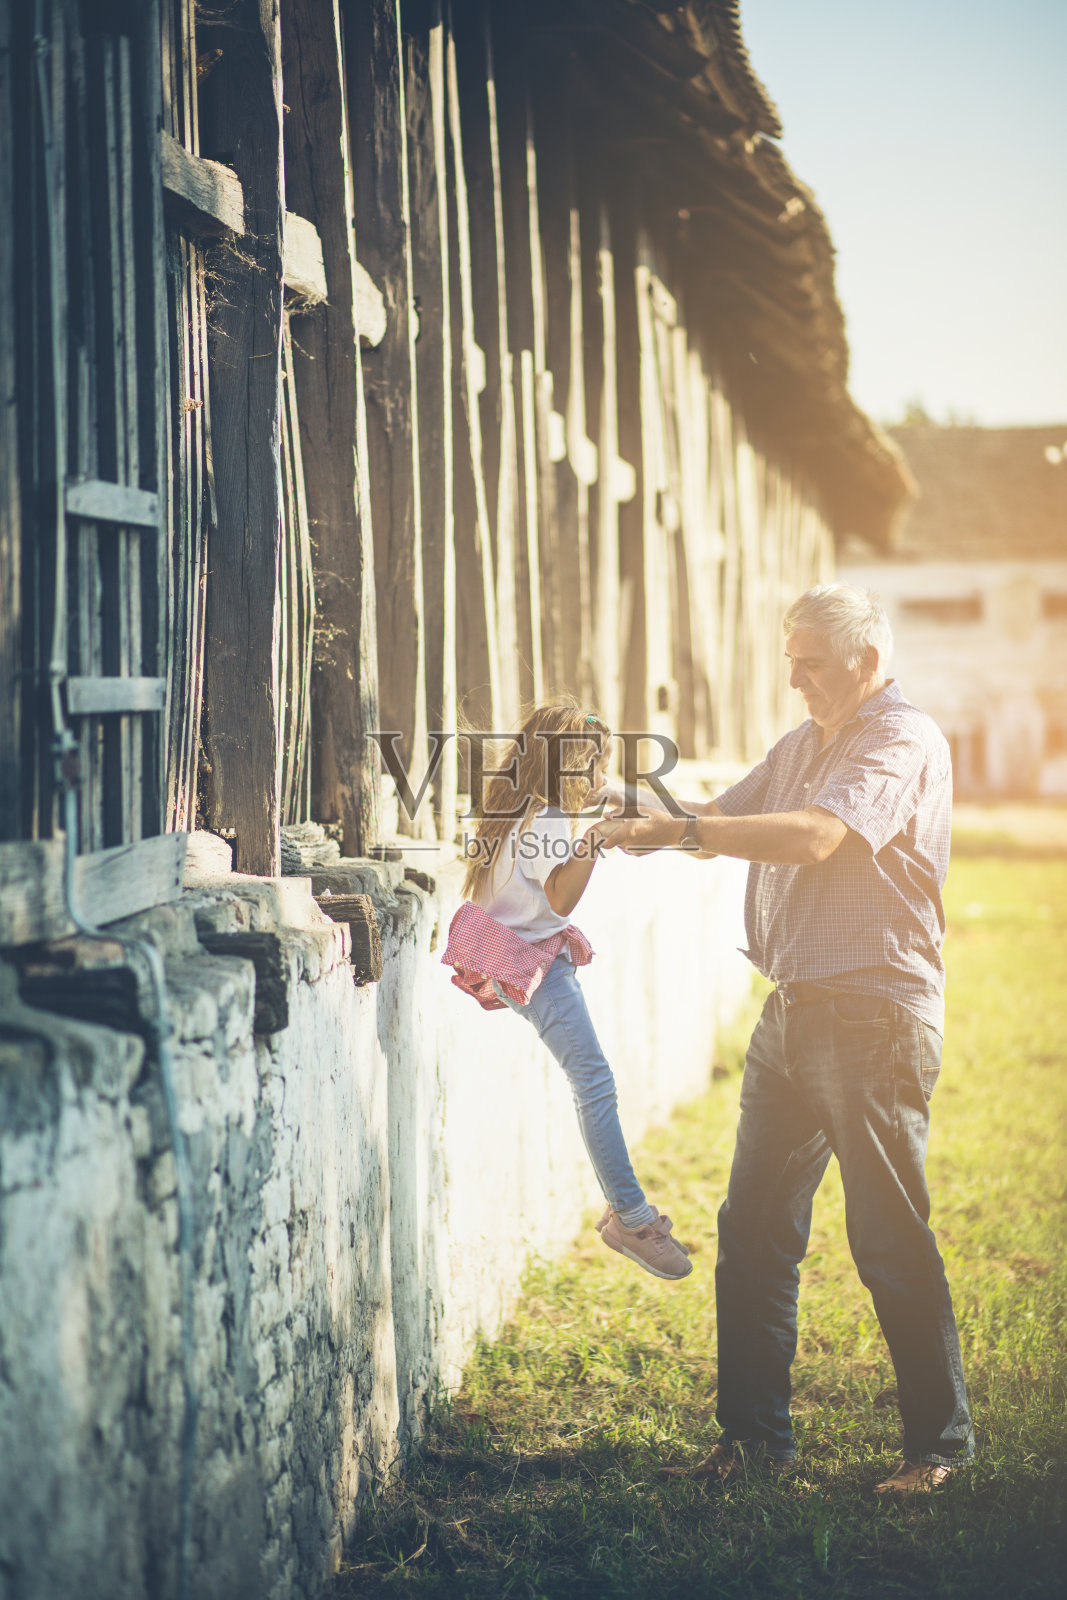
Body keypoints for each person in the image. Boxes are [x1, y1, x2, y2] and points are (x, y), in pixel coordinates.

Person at [600, 583, 974, 1492]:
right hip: (792, 1014)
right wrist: (622, 801)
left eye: (810, 660)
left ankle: (936, 1447)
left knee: (887, 1237)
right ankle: (754, 1443)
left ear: (866, 662)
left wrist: (682, 828)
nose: (794, 676)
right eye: (791, 658)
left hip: (874, 1016)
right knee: (755, 1231)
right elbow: (714, 822)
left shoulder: (899, 737)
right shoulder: (801, 743)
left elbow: (811, 838)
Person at [442, 700, 692, 1282]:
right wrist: (595, 842)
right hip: (538, 969)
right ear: (569, 767)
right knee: (594, 1081)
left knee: (589, 1079)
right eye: (594, 767)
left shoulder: (513, 805)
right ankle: (630, 1216)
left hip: (508, 955)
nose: (600, 779)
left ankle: (626, 1210)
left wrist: (610, 807)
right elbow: (558, 899)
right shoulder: (551, 818)